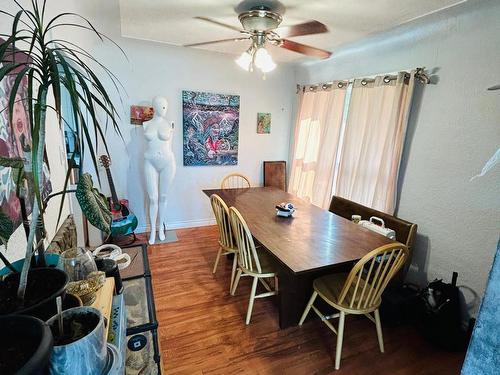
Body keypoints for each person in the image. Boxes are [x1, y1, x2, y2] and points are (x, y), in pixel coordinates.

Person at [143, 96, 176, 244]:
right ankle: (152, 231)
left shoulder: (170, 124)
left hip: (168, 162)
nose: (164, 109)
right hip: (150, 161)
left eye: (165, 106)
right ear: (154, 107)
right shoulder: (145, 124)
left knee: (163, 197)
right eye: (161, 106)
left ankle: (161, 228)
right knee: (152, 198)